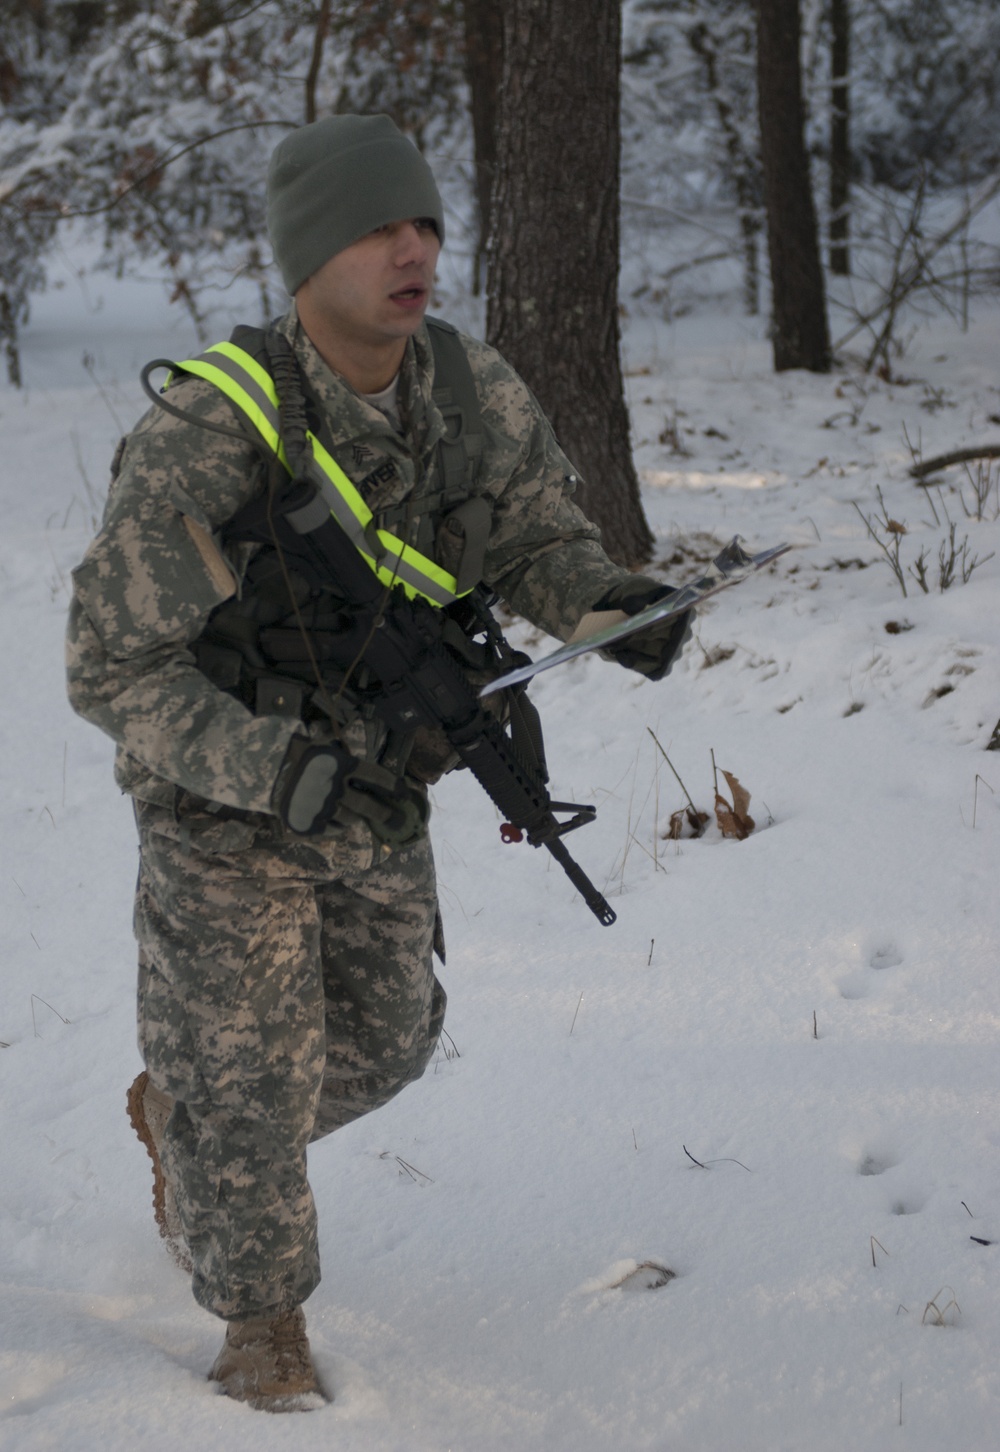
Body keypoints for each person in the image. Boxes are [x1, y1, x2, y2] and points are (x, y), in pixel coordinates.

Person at [66, 114, 692, 1413]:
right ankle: (260, 1325)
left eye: (425, 226)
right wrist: (263, 763)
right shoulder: (213, 428)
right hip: (222, 806)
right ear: (308, 258)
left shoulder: (468, 388)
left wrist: (607, 607)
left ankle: (184, 1124)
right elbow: (113, 667)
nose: (414, 249)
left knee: (392, 1042)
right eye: (378, 229)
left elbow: (536, 538)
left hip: (381, 788)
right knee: (246, 1082)